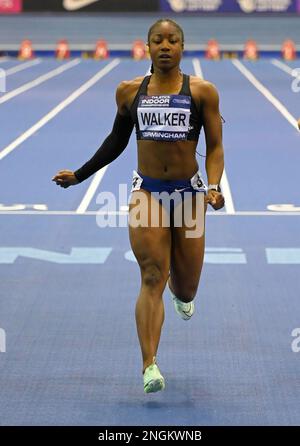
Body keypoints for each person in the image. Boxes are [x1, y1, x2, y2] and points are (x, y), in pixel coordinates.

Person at [52, 18, 225, 394]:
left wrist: (213, 187)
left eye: (173, 40)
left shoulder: (203, 92)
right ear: (146, 47)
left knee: (187, 287)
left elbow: (215, 147)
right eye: (158, 40)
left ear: (182, 47)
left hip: (189, 196)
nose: (165, 46)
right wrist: (80, 175)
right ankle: (149, 365)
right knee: (151, 275)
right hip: (147, 192)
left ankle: (183, 296)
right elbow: (115, 142)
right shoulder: (129, 92)